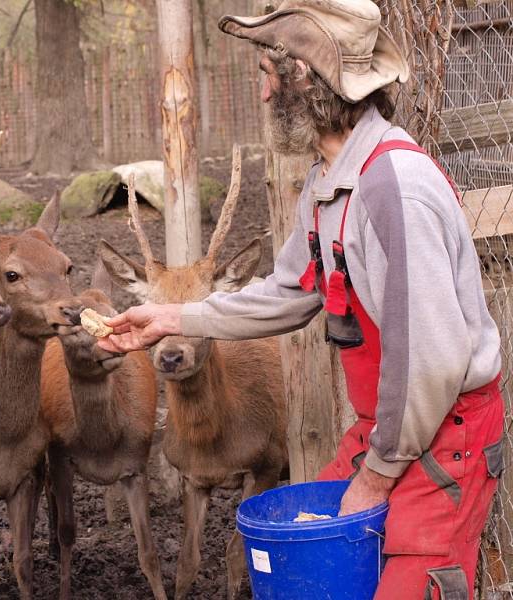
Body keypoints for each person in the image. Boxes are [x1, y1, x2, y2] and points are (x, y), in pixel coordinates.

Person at [97, 1, 504, 598]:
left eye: (267, 74)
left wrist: (377, 477)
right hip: (386, 430)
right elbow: (289, 292)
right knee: (306, 565)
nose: (262, 96)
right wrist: (172, 317)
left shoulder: (393, 189)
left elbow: (430, 363)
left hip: (443, 436)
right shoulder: (327, 181)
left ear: (305, 81)